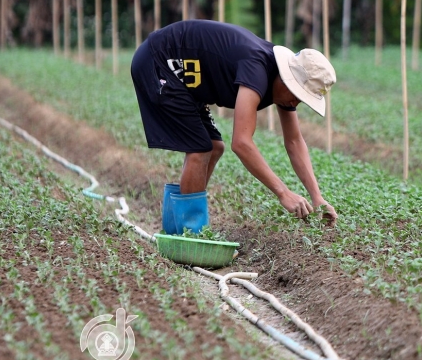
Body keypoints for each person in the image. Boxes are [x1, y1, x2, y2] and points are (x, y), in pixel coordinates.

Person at [131, 19, 338, 235]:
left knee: (213, 146)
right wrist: (283, 192)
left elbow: (294, 141)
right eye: (297, 95)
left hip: (184, 76)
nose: (296, 103)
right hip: (158, 61)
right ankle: (188, 233)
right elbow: (241, 143)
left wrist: (317, 198)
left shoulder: (282, 89)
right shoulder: (256, 69)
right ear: (287, 80)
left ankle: (179, 228)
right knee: (201, 149)